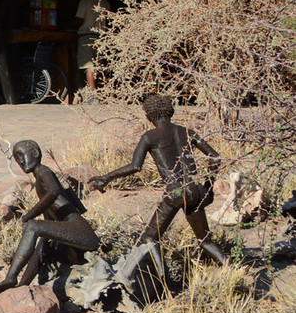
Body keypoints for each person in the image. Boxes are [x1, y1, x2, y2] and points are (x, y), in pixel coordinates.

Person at [87, 93, 228, 264]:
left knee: (149, 239)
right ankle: (233, 271)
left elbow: (135, 166)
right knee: (205, 241)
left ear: (148, 116)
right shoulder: (187, 132)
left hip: (175, 192)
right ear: (171, 112)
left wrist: (106, 177)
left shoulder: (150, 137)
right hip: (195, 189)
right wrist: (208, 185)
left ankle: (162, 283)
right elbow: (215, 157)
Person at [0, 140, 100, 301]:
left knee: (34, 226)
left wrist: (28, 216)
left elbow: (54, 191)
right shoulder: (40, 183)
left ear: (35, 153)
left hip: (81, 231)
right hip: (72, 243)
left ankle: (10, 277)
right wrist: (22, 286)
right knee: (42, 242)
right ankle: (18, 283)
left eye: (21, 156)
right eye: (16, 158)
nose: (20, 161)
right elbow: (45, 231)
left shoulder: (44, 172)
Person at [73, 0, 111, 93]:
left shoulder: (85, 2)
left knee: (89, 66)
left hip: (87, 36)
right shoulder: (105, 2)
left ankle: (92, 93)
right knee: (99, 65)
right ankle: (102, 91)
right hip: (101, 37)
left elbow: (79, 20)